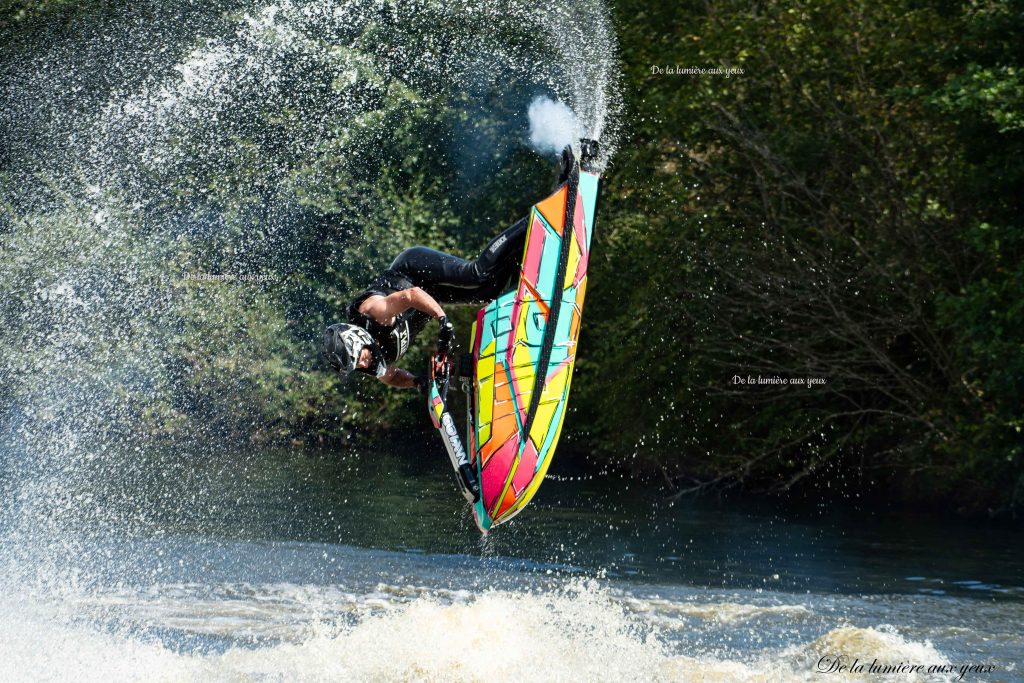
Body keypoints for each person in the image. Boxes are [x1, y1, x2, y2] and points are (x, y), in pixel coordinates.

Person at [322, 216, 528, 389]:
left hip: (414, 270)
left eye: (358, 358)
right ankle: (522, 254)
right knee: (486, 293)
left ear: (357, 340)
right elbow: (393, 378)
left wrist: (443, 320)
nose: (363, 364)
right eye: (356, 366)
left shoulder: (373, 312)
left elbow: (411, 295)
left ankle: (532, 221)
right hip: (432, 291)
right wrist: (418, 382)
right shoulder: (377, 363)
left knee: (475, 274)